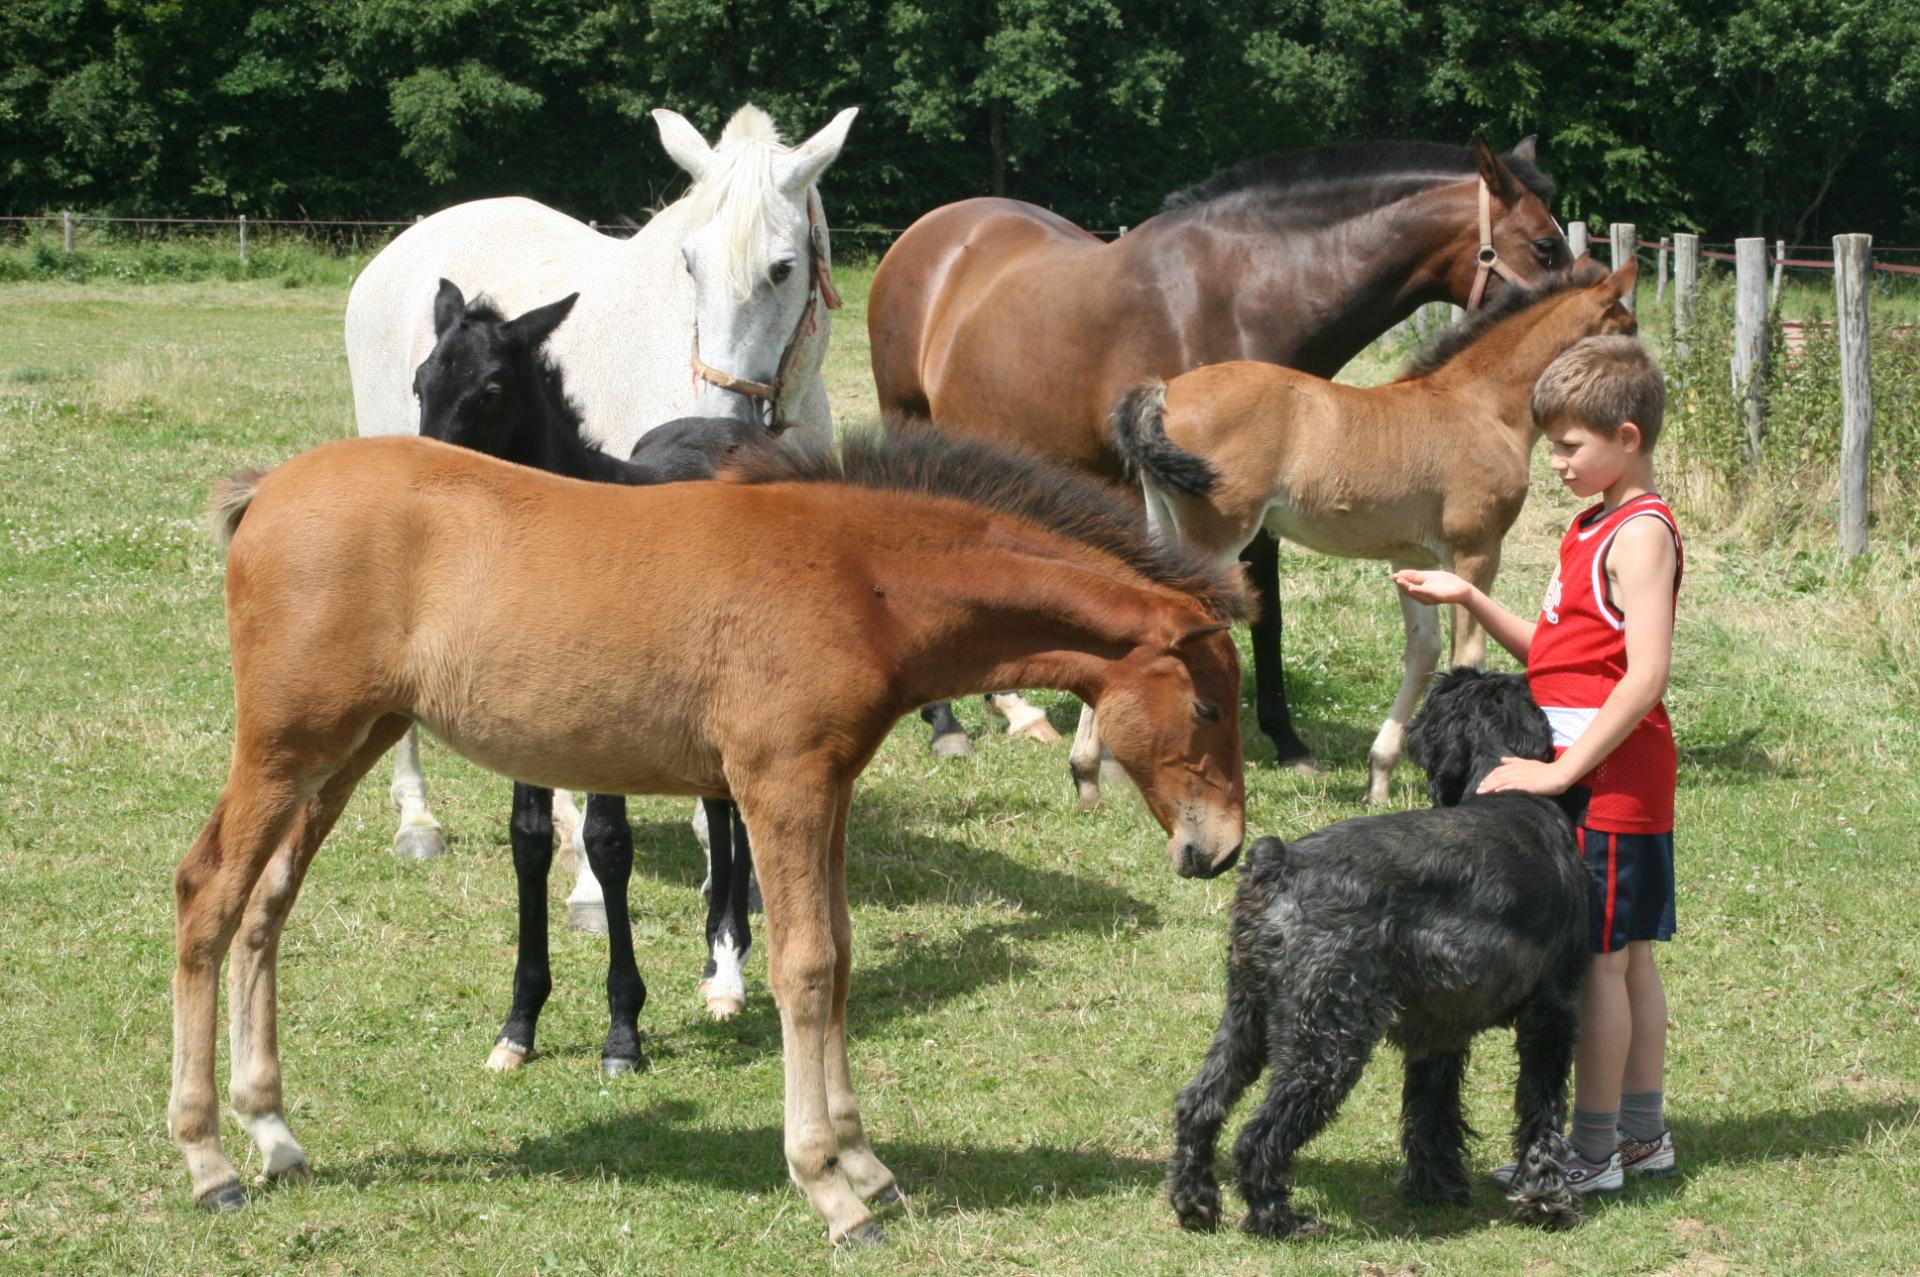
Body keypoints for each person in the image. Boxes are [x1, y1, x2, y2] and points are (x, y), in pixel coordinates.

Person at [1394, 334, 1682, 1193]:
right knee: (1625, 955)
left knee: (1601, 959)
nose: (1553, 461)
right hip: (1590, 768)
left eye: (1569, 444)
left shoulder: (1641, 533)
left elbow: (1646, 675)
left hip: (1614, 778)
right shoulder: (1588, 526)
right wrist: (1473, 597)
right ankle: (1642, 1135)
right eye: (1550, 442)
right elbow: (1559, 657)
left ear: (1627, 438)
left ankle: (1592, 1151)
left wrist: (1561, 775)